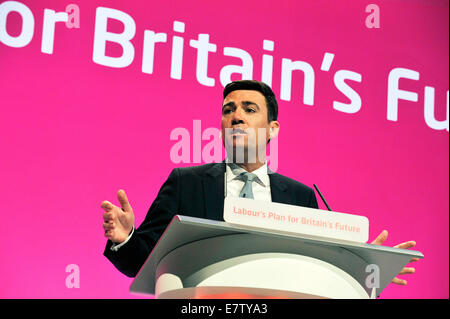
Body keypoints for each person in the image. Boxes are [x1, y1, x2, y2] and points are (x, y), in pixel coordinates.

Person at [101, 80, 417, 284]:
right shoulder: (186, 182)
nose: (236, 117)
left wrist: (363, 266)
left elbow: (315, 269)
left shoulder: (300, 196)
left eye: (249, 110)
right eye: (228, 111)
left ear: (272, 129)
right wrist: (126, 236)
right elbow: (141, 263)